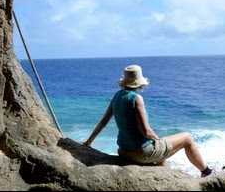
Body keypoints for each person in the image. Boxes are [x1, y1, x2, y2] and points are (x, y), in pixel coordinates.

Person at [83, 64, 215, 178]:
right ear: (139, 82)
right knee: (187, 138)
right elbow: (147, 131)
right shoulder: (136, 98)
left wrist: (88, 142)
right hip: (140, 152)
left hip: (123, 150)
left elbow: (103, 122)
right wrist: (158, 140)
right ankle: (206, 172)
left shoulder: (117, 96)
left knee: (162, 158)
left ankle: (168, 180)